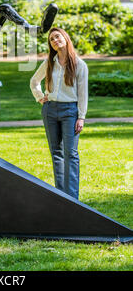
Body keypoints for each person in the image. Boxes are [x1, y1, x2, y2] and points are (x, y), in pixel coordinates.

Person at [30, 27, 88, 199]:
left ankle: (72, 198)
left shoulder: (79, 65)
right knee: (56, 153)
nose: (55, 40)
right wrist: (40, 97)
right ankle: (61, 197)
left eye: (57, 36)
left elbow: (83, 93)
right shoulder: (49, 62)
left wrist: (81, 117)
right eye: (52, 40)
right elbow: (34, 81)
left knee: (71, 153)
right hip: (50, 110)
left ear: (65, 37)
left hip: (70, 111)